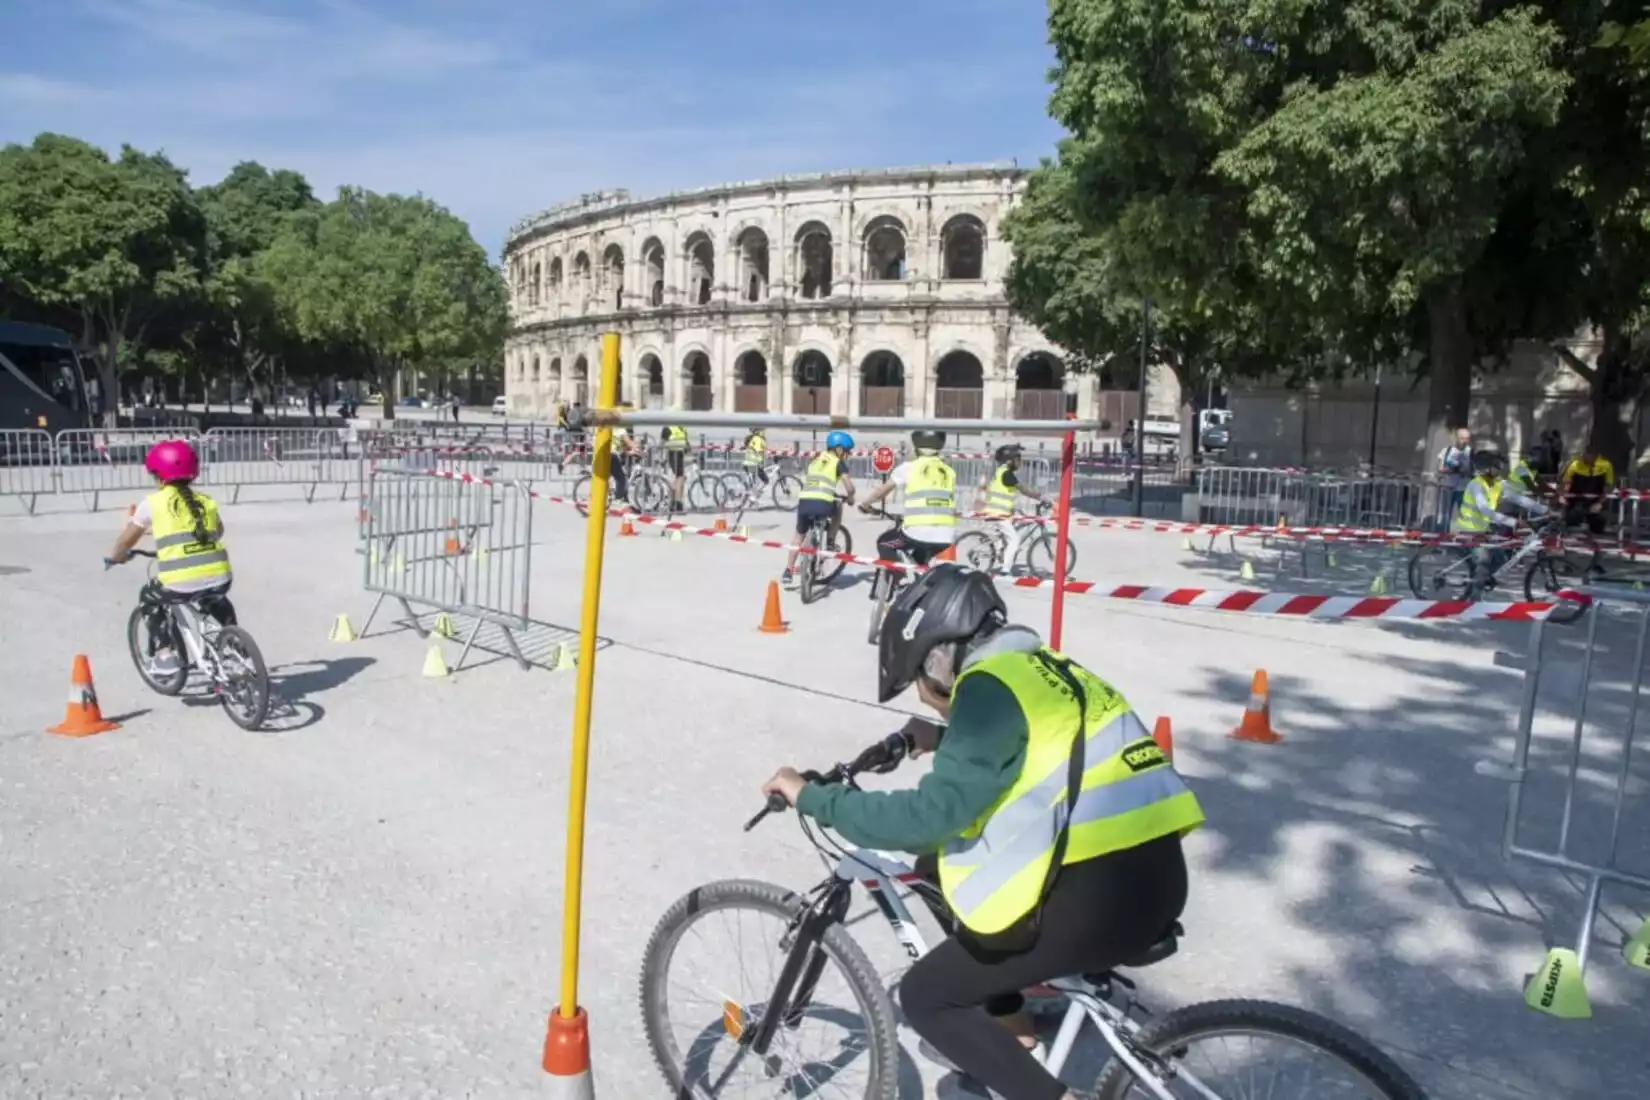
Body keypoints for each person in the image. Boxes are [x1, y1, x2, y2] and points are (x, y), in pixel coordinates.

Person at [761, 565, 1203, 1100]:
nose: (930, 699)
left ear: (939, 657)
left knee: (927, 997)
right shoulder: (1046, 669)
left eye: (924, 686)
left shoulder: (987, 689)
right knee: (939, 872)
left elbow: (927, 819)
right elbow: (1042, 756)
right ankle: (1015, 1032)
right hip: (1154, 878)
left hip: (1096, 903)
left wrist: (814, 797)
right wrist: (945, 740)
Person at [106, 439, 237, 676]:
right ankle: (235, 642)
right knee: (216, 598)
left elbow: (127, 540)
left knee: (149, 596)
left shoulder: (153, 503)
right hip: (220, 576)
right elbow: (218, 531)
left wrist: (115, 557)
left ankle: (164, 653)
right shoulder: (205, 501)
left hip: (180, 583)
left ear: (159, 476)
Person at [1452, 447, 1549, 596]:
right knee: (1483, 563)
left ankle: (1482, 585)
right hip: (1469, 531)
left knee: (1500, 559)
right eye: (1497, 466)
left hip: (1484, 530)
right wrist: (1514, 522)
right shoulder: (1476, 485)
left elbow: (1518, 498)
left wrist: (1545, 510)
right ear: (1486, 468)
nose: (1500, 468)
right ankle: (1473, 600)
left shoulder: (1499, 483)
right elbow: (1486, 511)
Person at [857, 429, 958, 567]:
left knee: (884, 543)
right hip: (946, 536)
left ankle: (900, 577)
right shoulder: (949, 471)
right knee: (922, 557)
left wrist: (865, 504)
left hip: (916, 533)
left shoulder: (909, 468)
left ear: (916, 449)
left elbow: (881, 492)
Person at [783, 430, 856, 588]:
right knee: (838, 506)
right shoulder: (838, 462)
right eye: (846, 451)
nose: (847, 455)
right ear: (839, 449)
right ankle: (830, 541)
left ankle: (788, 570)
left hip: (804, 501)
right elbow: (849, 486)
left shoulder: (815, 461)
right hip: (823, 503)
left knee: (799, 535)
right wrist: (850, 498)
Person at [978, 443, 1049, 576]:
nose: (1020, 462)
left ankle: (1001, 551)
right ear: (1009, 460)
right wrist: (1041, 497)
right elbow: (1023, 490)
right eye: (1017, 459)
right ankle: (1005, 569)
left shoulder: (1001, 472)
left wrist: (1017, 509)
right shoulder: (1007, 474)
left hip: (998, 511)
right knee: (1014, 540)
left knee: (1015, 527)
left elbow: (1006, 494)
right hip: (999, 513)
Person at [1560, 444, 1615, 537]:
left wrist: (1600, 503)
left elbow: (1608, 487)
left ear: (1595, 456)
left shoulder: (1606, 466)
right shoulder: (1575, 464)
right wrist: (1563, 496)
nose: (1583, 458)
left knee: (1597, 528)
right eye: (1583, 455)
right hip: (1576, 502)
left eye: (1587, 456)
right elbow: (1566, 483)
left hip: (1596, 501)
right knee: (1571, 523)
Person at [1436, 426, 1473, 526]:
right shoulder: (1447, 451)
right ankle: (1444, 533)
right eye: (1462, 438)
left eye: (1467, 439)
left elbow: (1473, 470)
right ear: (1457, 438)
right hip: (1448, 486)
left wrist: (1466, 471)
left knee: (1465, 515)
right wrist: (1454, 469)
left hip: (1463, 488)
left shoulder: (1470, 452)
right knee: (1445, 514)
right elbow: (1440, 468)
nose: (1465, 441)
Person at [660, 411, 690, 511]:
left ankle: (674, 502)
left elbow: (662, 443)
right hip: (674, 454)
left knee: (678, 478)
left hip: (676, 454)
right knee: (679, 478)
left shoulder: (676, 427)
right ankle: (677, 502)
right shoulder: (677, 427)